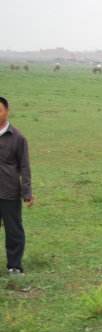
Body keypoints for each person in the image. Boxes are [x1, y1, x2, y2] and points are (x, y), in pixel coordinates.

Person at [0, 96, 33, 275]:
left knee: (14, 231)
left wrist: (27, 192)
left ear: (7, 111)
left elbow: (24, 166)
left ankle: (14, 266)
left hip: (9, 192)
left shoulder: (18, 138)